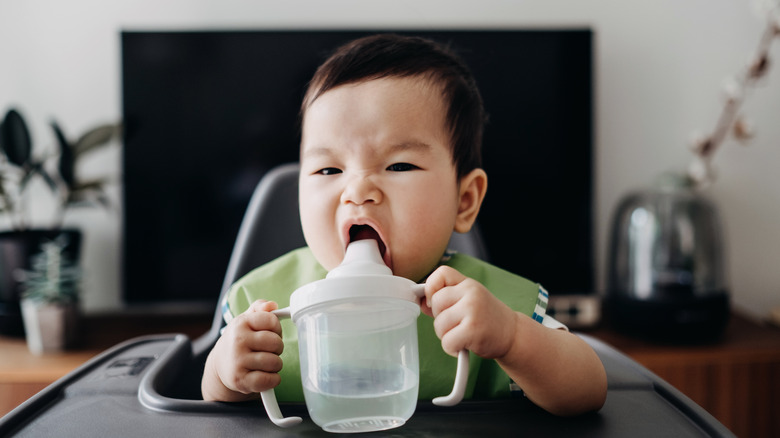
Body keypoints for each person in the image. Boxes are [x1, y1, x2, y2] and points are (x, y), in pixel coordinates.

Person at [201, 33, 607, 416]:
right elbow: (206, 404)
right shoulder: (263, 302)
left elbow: (588, 390)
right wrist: (225, 371)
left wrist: (514, 340)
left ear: (464, 201)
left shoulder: (489, 306)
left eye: (399, 165)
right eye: (328, 169)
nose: (358, 190)